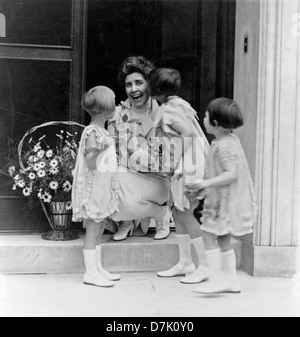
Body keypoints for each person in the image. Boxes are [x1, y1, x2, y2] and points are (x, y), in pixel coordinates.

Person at [72, 86, 170, 288]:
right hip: (94, 190)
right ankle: (90, 272)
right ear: (104, 109)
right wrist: (103, 146)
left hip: (102, 187)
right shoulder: (92, 132)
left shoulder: (102, 131)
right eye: (113, 101)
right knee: (93, 230)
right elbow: (91, 162)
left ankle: (97, 268)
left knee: (98, 228)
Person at [186, 98, 257, 294]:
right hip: (221, 202)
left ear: (215, 123)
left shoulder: (224, 145)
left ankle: (217, 278)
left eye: (207, 116)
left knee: (208, 236)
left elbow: (231, 174)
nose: (204, 119)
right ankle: (231, 280)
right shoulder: (226, 141)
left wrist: (206, 183)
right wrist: (204, 189)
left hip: (223, 205)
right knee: (223, 239)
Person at [149, 68, 211, 284]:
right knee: (179, 211)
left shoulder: (167, 111)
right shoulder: (180, 104)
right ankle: (186, 263)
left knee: (186, 214)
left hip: (188, 166)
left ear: (156, 90)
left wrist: (175, 161)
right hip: (192, 163)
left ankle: (205, 266)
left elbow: (188, 133)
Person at [109, 56, 171, 241]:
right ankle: (125, 220)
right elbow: (111, 153)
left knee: (117, 175)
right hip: (126, 176)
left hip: (156, 182)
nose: (133, 90)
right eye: (129, 85)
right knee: (107, 174)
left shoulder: (161, 115)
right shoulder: (118, 113)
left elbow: (160, 163)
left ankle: (160, 214)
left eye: (139, 83)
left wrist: (131, 151)